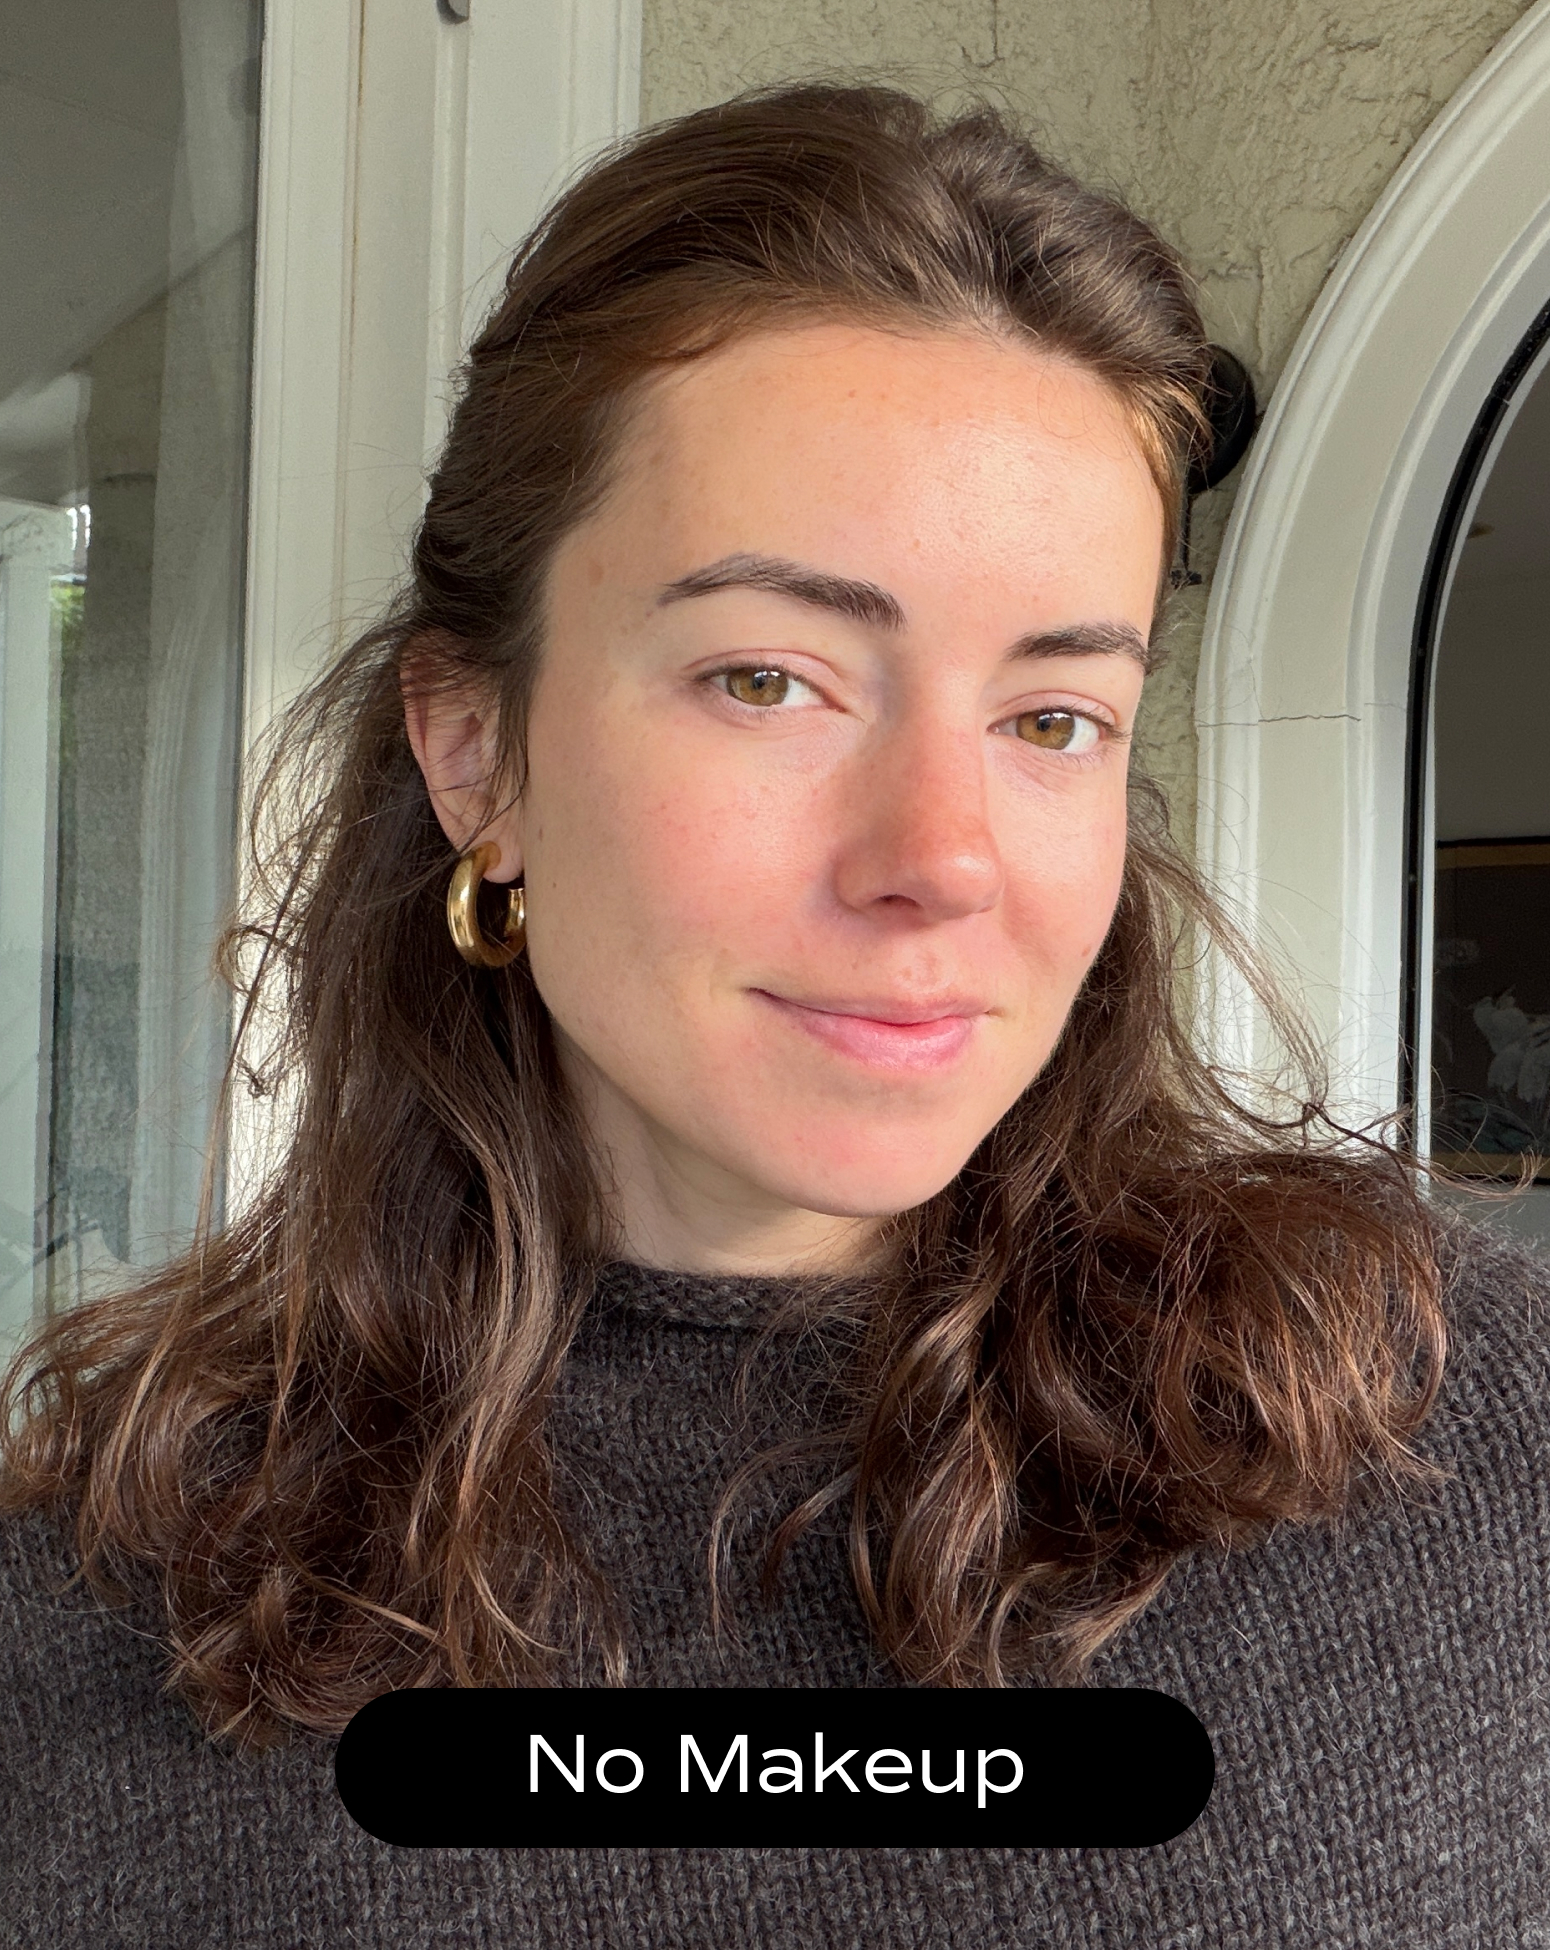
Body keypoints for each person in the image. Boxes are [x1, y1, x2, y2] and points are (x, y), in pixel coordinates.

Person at [2, 81, 1546, 1948]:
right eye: (771, 678)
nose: (940, 858)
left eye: (1048, 714)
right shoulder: (94, 1587)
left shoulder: (1470, 1433)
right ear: (475, 746)